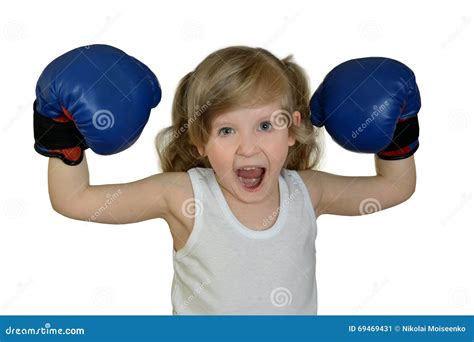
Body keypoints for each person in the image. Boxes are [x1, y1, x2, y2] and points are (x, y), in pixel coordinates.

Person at [36, 45, 419, 315]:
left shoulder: (306, 192)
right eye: (226, 131)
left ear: (292, 130)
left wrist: (398, 131)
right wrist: (62, 137)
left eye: (266, 125)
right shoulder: (184, 194)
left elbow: (394, 187)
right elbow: (76, 199)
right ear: (199, 140)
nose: (247, 147)